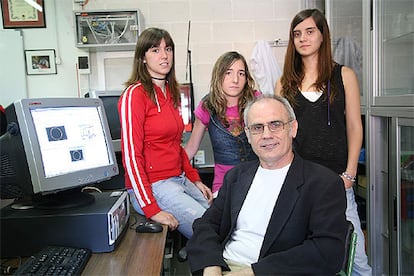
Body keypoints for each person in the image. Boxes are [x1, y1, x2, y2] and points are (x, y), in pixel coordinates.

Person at [187, 94, 348, 275]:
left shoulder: (323, 183)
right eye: (257, 127)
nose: (266, 135)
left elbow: (327, 251)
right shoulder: (236, 177)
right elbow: (206, 224)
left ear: (293, 128)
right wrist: (211, 266)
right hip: (223, 266)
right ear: (248, 135)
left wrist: (253, 273)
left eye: (275, 124)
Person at [274, 9, 371, 276]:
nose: (303, 38)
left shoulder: (344, 76)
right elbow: (280, 135)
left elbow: (354, 126)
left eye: (309, 31)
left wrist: (350, 174)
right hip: (299, 183)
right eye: (296, 34)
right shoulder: (284, 84)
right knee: (305, 257)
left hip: (337, 182)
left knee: (357, 261)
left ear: (322, 35)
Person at [118, 27, 213, 239]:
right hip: (153, 187)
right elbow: (131, 158)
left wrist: (194, 179)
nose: (164, 55)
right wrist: (152, 209)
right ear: (142, 57)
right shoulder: (134, 95)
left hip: (177, 179)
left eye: (168, 49)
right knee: (208, 233)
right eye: (155, 50)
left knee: (217, 220)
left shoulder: (169, 94)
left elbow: (175, 146)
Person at [185, 51, 259, 196]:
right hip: (224, 184)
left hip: (257, 177)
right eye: (228, 73)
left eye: (241, 73)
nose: (235, 80)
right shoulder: (207, 106)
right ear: (219, 76)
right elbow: (190, 149)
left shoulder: (256, 100)